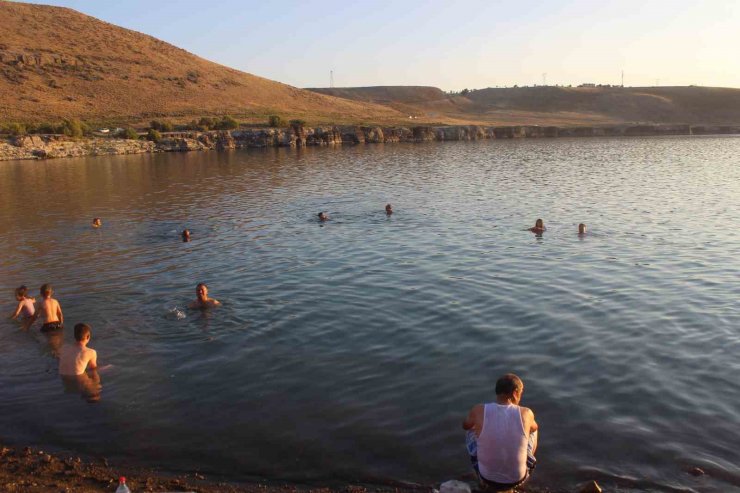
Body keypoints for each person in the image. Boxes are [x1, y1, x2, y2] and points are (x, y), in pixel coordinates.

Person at [463, 373, 539, 489]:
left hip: (486, 478)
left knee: (471, 430)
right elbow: (534, 428)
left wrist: (479, 427)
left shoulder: (478, 409)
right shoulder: (526, 413)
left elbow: (465, 426)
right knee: (533, 430)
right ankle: (525, 464)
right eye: (521, 392)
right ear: (515, 393)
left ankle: (481, 473)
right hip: (517, 480)